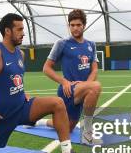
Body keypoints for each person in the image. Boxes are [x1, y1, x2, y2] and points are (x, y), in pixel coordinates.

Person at [0, 13, 91, 153]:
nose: (23, 33)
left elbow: (15, 79)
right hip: (1, 117)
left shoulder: (20, 54)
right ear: (8, 31)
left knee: (57, 103)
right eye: (19, 29)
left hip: (22, 108)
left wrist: (23, 93)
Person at [38, 9, 102, 145]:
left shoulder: (91, 45)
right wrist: (64, 81)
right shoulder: (62, 43)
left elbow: (94, 68)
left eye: (78, 25)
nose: (75, 28)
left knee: (69, 127)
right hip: (68, 90)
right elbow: (46, 68)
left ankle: (39, 121)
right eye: (72, 25)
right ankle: (87, 135)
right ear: (69, 26)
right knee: (96, 86)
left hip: (82, 91)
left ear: (84, 25)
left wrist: (87, 84)